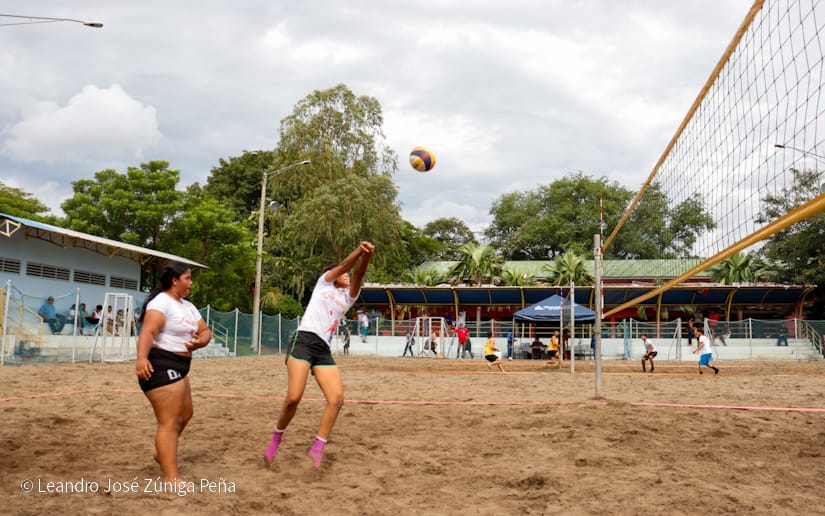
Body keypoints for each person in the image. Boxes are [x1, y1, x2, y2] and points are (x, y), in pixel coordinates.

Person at [264, 241, 374, 469]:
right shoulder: (323, 285)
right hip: (303, 340)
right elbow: (345, 265)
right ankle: (276, 439)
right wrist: (358, 250)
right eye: (342, 274)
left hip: (322, 347)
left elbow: (359, 273)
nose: (346, 276)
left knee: (336, 399)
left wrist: (367, 256)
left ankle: (317, 448)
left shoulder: (348, 296)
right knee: (293, 398)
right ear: (332, 275)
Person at [135, 261, 212, 484]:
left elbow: (205, 330)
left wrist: (201, 342)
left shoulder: (187, 306)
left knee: (186, 414)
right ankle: (171, 478)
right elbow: (148, 331)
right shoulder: (162, 303)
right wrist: (141, 359)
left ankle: (163, 452)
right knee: (169, 422)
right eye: (187, 278)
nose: (191, 282)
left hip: (180, 366)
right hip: (160, 364)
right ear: (174, 280)